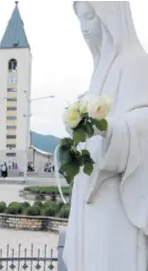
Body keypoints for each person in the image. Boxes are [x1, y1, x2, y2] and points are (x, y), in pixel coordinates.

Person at [63, 2, 148, 271]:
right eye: (80, 19)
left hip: (115, 197)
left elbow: (144, 125)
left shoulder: (136, 62)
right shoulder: (100, 68)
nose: (84, 28)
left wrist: (108, 129)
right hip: (90, 196)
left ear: (110, 15)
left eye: (90, 17)